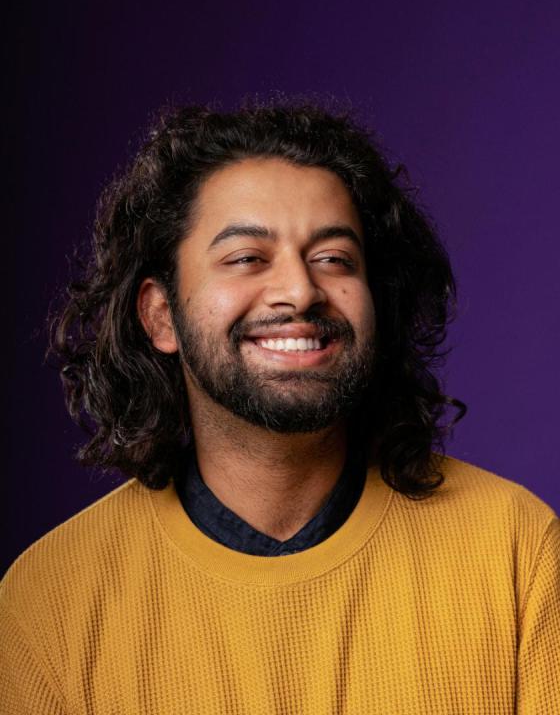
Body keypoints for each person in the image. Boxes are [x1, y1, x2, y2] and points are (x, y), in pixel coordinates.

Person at [1, 100, 558, 714]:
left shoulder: (517, 552)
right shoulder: (47, 602)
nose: (299, 290)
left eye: (333, 259)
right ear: (161, 315)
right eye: (247, 259)